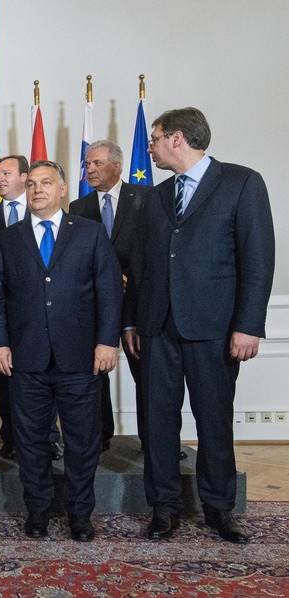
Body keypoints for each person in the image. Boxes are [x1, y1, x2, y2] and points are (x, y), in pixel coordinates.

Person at [123, 107, 275, 544]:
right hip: (156, 328)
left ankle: (219, 509)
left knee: (214, 421)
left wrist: (248, 326)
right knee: (157, 423)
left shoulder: (242, 182)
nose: (149, 148)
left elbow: (258, 260)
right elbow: (141, 265)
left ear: (176, 138)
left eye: (154, 139)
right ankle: (164, 507)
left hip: (215, 328)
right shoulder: (153, 197)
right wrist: (132, 320)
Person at [0, 161, 122, 542]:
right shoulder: (8, 239)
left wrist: (107, 341)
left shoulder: (91, 234)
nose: (37, 190)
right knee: (30, 442)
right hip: (25, 358)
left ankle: (80, 514)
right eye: (31, 184)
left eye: (46, 183)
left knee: (82, 442)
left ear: (63, 189)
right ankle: (38, 512)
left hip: (80, 358)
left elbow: (110, 293)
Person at [0, 156, 63, 461]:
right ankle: (11, 436)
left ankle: (49, 438)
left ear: (23, 177)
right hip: (5, 317)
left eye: (6, 173)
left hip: (45, 318)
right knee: (6, 378)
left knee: (47, 375)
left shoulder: (44, 210)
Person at [69, 141, 148, 454]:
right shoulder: (79, 208)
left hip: (138, 302)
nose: (90, 169)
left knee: (147, 374)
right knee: (96, 371)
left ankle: (154, 439)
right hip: (95, 303)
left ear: (117, 165)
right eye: (87, 164)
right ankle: (100, 436)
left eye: (97, 163)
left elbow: (151, 253)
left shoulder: (145, 198)